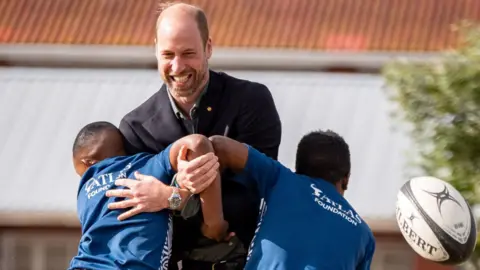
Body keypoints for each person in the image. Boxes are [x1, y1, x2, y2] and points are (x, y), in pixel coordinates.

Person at [113, 2, 282, 269]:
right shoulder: (135, 128)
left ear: (209, 48)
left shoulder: (252, 102)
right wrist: (181, 193)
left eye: (188, 53)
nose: (177, 66)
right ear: (155, 48)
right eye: (168, 54)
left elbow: (259, 194)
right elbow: (140, 218)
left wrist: (171, 196)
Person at [202, 130, 376, 269]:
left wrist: (214, 223)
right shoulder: (364, 234)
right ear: (346, 178)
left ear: (297, 170)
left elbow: (219, 145)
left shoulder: (282, 179)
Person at [68, 121, 228, 270]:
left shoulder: (85, 188)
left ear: (87, 162)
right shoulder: (148, 166)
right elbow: (197, 143)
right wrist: (214, 225)